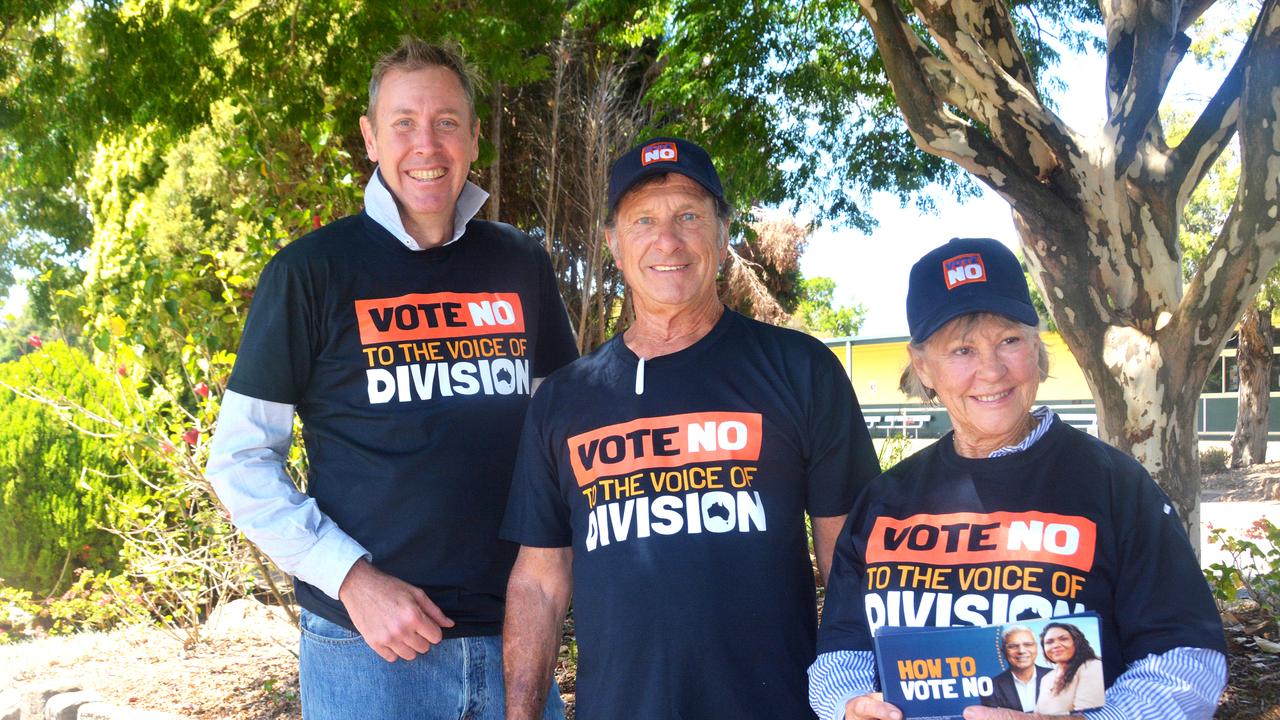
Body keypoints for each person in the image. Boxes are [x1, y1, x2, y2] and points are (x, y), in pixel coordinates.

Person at [205, 37, 578, 719]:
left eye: (445, 122)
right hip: (369, 652)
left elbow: (567, 440)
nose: (426, 145)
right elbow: (239, 461)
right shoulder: (310, 273)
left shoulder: (521, 266)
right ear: (371, 139)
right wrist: (352, 580)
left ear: (471, 139)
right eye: (403, 122)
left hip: (514, 643)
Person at [500, 137, 881, 719]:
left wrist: (863, 697)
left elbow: (851, 564)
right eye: (643, 220)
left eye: (688, 216)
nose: (667, 240)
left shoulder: (801, 371)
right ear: (613, 245)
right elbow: (540, 583)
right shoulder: (564, 399)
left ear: (723, 234)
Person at [807, 237, 1227, 720]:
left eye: (1009, 340)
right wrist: (848, 705)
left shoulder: (1115, 486)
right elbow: (842, 653)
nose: (991, 370)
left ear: (1036, 345)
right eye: (962, 350)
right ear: (923, 367)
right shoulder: (885, 501)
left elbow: (1187, 661)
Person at [1035, 622, 1105, 714]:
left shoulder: (1092, 666)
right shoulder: (1046, 678)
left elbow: (1086, 715)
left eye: (1063, 639)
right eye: (1049, 642)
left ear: (1077, 642)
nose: (1055, 645)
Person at [982, 626, 1050, 712]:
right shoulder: (991, 686)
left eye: (1028, 644)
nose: (1021, 651)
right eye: (1013, 646)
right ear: (1003, 652)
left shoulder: (1057, 676)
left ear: (1037, 648)